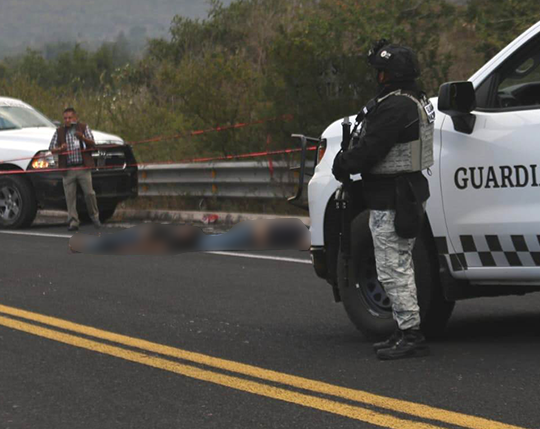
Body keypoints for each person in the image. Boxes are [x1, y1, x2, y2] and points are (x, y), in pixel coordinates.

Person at [332, 40, 435, 361]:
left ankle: (410, 334)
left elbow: (370, 149)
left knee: (393, 267)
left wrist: (342, 164)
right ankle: (405, 330)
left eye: (381, 72)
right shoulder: (412, 100)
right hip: (403, 191)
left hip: (393, 195)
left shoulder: (396, 107)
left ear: (390, 75)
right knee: (398, 263)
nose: (377, 78)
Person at [68, 218, 311, 255]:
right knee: (252, 232)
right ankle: (88, 243)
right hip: (210, 237)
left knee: (252, 232)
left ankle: (89, 242)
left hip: (211, 237)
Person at [49, 107, 100, 231]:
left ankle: (94, 216)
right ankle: (73, 221)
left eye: (70, 118)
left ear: (75, 118)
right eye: (65, 118)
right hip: (68, 169)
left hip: (83, 167)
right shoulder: (60, 131)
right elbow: (51, 148)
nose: (67, 120)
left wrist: (82, 137)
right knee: (70, 196)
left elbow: (93, 143)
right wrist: (60, 149)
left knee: (89, 193)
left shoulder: (83, 127)